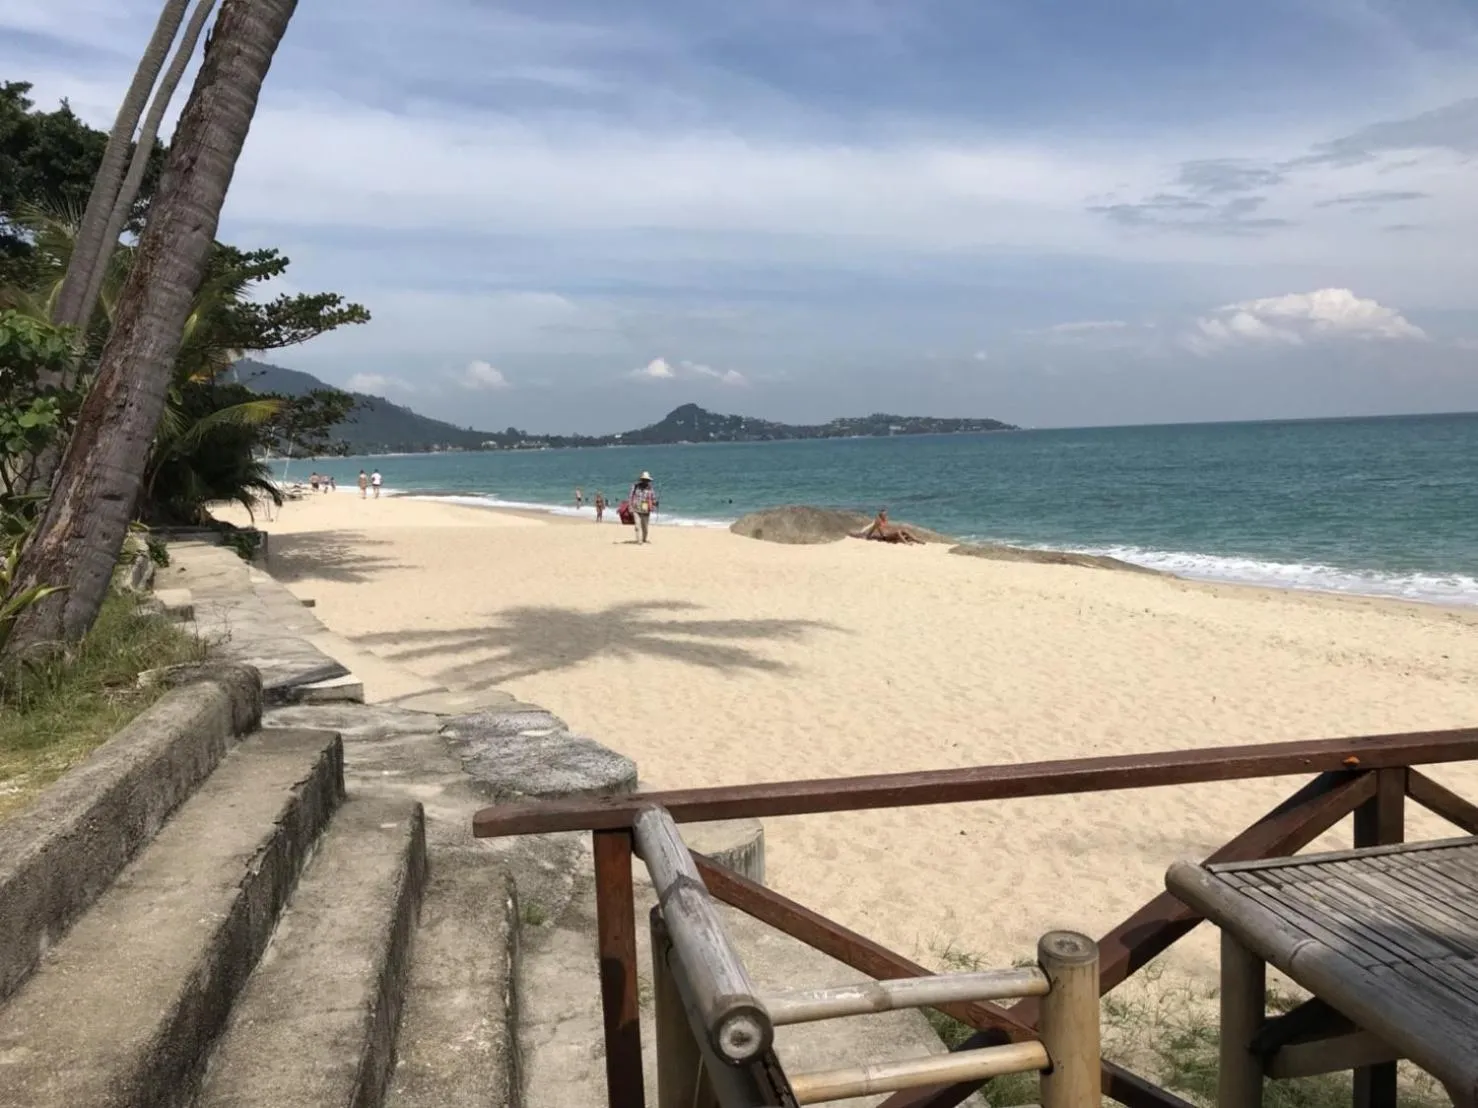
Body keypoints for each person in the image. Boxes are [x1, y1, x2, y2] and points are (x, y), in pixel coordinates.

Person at [854, 507, 922, 545]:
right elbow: (872, 529)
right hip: (885, 537)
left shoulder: (885, 521)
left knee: (904, 531)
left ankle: (916, 540)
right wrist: (868, 537)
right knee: (898, 532)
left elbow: (888, 529)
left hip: (888, 535)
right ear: (881, 516)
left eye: (886, 514)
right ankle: (906, 543)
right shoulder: (878, 522)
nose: (886, 516)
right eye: (884, 515)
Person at [628, 471, 657, 543]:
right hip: (636, 509)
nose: (645, 481)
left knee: (645, 528)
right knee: (637, 526)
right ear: (641, 479)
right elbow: (630, 496)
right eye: (644, 479)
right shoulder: (635, 487)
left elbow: (653, 498)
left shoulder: (650, 489)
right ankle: (639, 540)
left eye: (647, 480)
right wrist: (630, 507)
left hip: (646, 510)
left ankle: (644, 539)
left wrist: (655, 503)